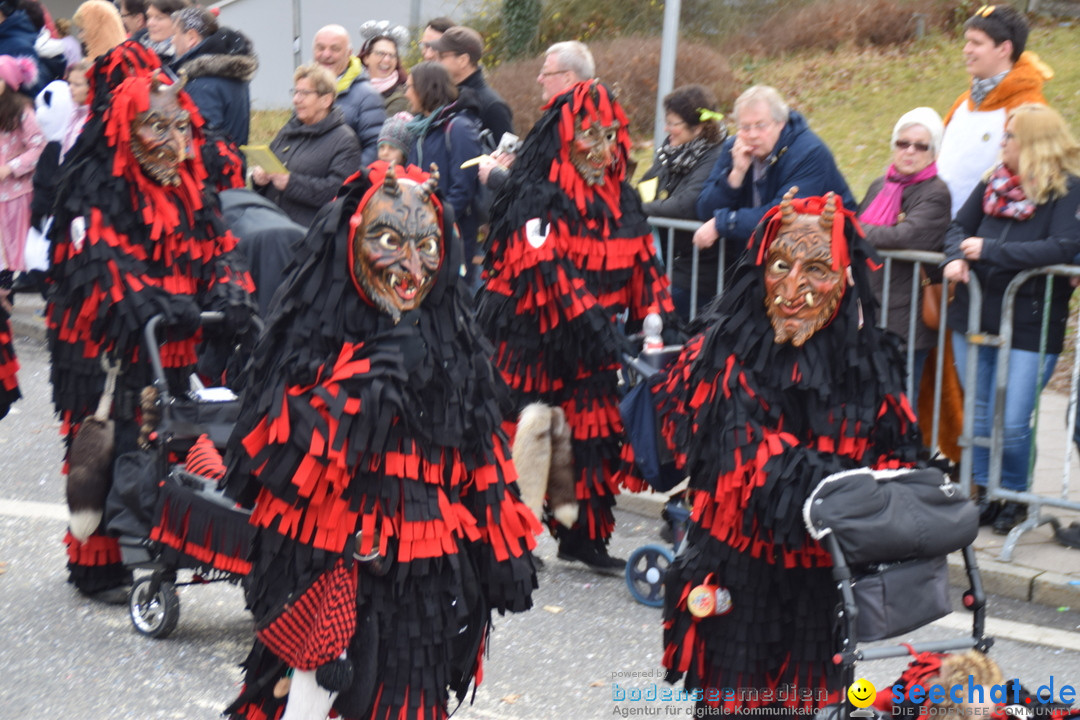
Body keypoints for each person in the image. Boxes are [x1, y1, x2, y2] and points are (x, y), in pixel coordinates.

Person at [222, 161, 540, 720]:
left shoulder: (455, 348)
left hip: (423, 574)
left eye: (427, 245)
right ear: (351, 242)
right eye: (389, 240)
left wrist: (504, 549)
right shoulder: (311, 339)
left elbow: (481, 452)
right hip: (324, 568)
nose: (412, 266)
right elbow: (282, 460)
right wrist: (370, 375)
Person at [654, 190, 921, 715]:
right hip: (738, 565)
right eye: (780, 265)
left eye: (816, 269)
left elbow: (900, 456)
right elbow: (754, 461)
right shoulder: (726, 353)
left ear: (845, 278)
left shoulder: (871, 361)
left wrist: (915, 487)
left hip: (821, 576)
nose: (793, 289)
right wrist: (854, 485)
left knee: (809, 701)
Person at [47, 44, 254, 604]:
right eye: (153, 125)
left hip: (171, 335)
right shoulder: (94, 179)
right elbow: (101, 259)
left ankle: (156, 534)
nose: (170, 139)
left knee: (166, 436)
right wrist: (153, 299)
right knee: (105, 439)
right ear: (126, 125)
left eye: (178, 124)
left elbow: (218, 245)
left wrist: (231, 291)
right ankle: (96, 560)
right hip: (102, 341)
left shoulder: (190, 182)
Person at [475, 80, 679, 574]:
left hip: (591, 345)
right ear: (564, 139)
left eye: (611, 136)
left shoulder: (623, 199)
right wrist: (603, 333)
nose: (604, 149)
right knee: (524, 435)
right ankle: (506, 539)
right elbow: (551, 275)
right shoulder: (533, 195)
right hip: (529, 338)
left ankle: (581, 538)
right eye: (591, 136)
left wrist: (666, 326)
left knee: (590, 439)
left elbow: (643, 268)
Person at [943, 103, 1080, 535]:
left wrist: (988, 251)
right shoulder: (991, 182)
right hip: (975, 311)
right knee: (980, 414)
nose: (1001, 142)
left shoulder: (1066, 190)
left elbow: (1060, 247)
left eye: (1009, 136)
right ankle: (986, 493)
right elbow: (955, 229)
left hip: (1030, 320)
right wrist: (952, 258)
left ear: (1033, 142)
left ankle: (1016, 496)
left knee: (1014, 418)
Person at [693, 85, 855, 275]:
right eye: (745, 127)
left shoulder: (809, 152)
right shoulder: (734, 148)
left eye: (761, 126)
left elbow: (783, 214)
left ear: (780, 123)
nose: (752, 135)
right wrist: (736, 174)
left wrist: (723, 223)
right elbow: (705, 209)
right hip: (760, 264)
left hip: (818, 265)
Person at [857, 107, 951, 404]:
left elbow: (906, 236)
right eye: (903, 143)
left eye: (920, 145)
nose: (910, 151)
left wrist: (858, 229)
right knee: (864, 401)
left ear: (933, 151)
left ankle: (901, 453)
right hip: (868, 311)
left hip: (906, 320)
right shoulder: (878, 186)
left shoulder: (935, 193)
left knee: (899, 404)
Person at [938, 3, 1050, 217]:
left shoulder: (1028, 108)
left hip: (985, 234)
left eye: (976, 43)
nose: (966, 50)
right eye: (967, 42)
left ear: (1004, 49)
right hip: (941, 226)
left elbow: (1036, 180)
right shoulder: (963, 102)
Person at [638, 84, 727, 320]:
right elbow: (646, 188)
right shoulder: (670, 153)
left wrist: (633, 209)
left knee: (654, 320)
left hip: (698, 276)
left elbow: (687, 205)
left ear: (697, 127)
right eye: (666, 122)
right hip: (667, 265)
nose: (667, 129)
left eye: (673, 123)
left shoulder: (716, 156)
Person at [251, 63, 361, 228]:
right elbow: (270, 172)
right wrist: (259, 180)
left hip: (309, 237)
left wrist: (291, 183)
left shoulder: (345, 140)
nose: (296, 100)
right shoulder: (289, 130)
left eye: (304, 93)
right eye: (295, 92)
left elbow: (338, 192)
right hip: (271, 227)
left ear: (326, 100)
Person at [404, 61, 483, 287]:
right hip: (421, 234)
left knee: (454, 302)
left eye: (410, 87)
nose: (406, 93)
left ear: (426, 89)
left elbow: (463, 188)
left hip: (451, 234)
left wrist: (436, 221)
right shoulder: (420, 128)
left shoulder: (458, 128)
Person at [477, 40, 594, 192]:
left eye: (546, 73)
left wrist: (496, 178)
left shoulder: (576, 122)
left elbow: (556, 196)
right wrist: (523, 157)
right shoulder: (580, 111)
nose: (540, 79)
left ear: (567, 78)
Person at [170, 5, 257, 147]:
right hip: (233, 164)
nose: (172, 40)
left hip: (212, 167)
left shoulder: (201, 84)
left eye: (175, 34)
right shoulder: (230, 72)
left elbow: (201, 142)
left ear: (191, 37)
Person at [311, 24, 384, 166]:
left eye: (335, 49)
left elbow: (375, 148)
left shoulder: (368, 97)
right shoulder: (306, 90)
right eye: (320, 48)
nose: (326, 54)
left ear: (349, 53)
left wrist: (346, 180)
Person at [0, 55, 44, 287]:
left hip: (16, 194)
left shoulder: (22, 111)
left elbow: (39, 146)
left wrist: (10, 168)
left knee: (13, 257)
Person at [431, 25, 513, 150]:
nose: (435, 61)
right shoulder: (446, 96)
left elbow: (506, 159)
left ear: (463, 60)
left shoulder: (493, 106)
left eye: (441, 56)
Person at [357, 20, 409, 115]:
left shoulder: (400, 98)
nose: (386, 60)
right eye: (380, 53)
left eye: (392, 55)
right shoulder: (351, 86)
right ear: (366, 58)